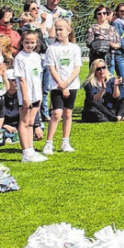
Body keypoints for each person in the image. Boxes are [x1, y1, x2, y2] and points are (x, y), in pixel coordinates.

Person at [42, 19, 80, 155]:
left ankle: (65, 141)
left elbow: (77, 68)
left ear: (68, 30)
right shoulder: (52, 48)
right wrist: (61, 85)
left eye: (61, 29)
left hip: (72, 85)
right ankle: (49, 143)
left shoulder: (75, 48)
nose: (58, 32)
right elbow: (51, 68)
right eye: (56, 29)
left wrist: (68, 83)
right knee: (57, 113)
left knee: (68, 113)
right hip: (57, 85)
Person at [14, 30, 47, 162]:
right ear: (22, 42)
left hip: (36, 94)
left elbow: (37, 77)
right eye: (26, 42)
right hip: (26, 95)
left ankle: (31, 149)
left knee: (31, 122)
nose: (29, 45)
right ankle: (25, 151)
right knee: (24, 121)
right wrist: (26, 97)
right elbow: (22, 79)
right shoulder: (20, 58)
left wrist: (38, 97)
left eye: (32, 42)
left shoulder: (36, 57)